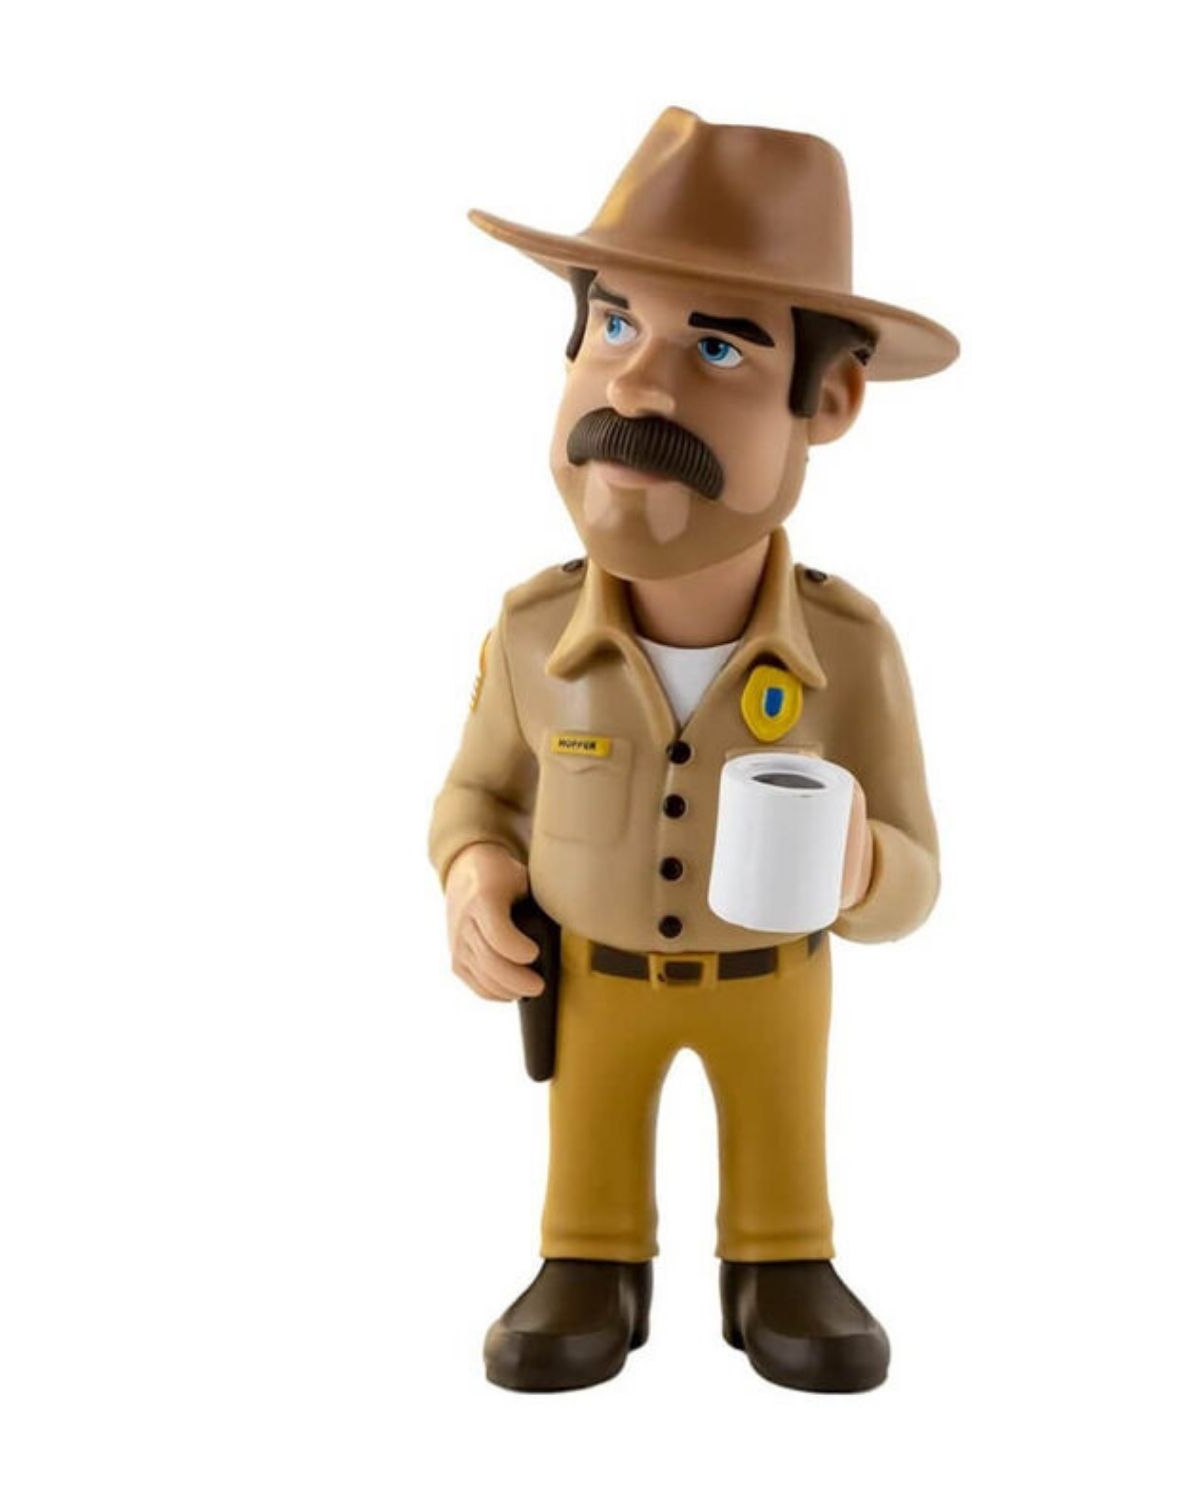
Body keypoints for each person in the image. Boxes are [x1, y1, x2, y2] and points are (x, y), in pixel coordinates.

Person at [428, 106, 959, 1392]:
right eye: (614, 327)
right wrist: (473, 876)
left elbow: (918, 874)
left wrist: (861, 873)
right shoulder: (533, 631)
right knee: (591, 1133)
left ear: (826, 399)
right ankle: (588, 1257)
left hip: (773, 980)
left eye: (716, 347)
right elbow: (475, 797)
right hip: (593, 981)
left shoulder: (850, 649)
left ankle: (781, 1259)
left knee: (780, 1126)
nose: (637, 390)